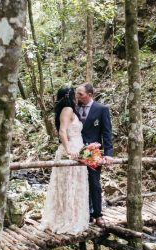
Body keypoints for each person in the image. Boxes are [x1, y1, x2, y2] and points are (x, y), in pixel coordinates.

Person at [40, 85, 89, 234]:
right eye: (74, 93)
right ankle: (66, 219)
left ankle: (72, 217)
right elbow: (62, 131)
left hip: (77, 149)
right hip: (72, 151)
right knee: (69, 185)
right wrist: (69, 150)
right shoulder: (67, 109)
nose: (76, 96)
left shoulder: (69, 109)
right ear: (69, 95)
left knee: (74, 185)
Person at [76, 83, 113, 228]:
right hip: (76, 150)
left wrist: (109, 153)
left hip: (93, 152)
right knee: (78, 183)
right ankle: (84, 213)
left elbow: (107, 132)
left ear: (90, 95)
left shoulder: (102, 109)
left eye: (80, 94)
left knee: (94, 183)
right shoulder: (74, 108)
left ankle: (97, 214)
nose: (77, 96)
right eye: (76, 93)